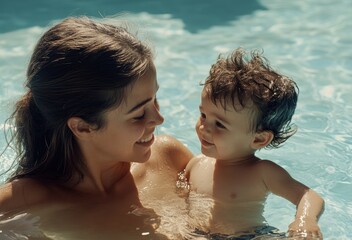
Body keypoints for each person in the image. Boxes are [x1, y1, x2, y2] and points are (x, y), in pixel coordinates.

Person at [0, 16, 193, 239]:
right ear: (82, 127)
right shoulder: (23, 205)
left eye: (155, 99)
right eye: (139, 114)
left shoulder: (169, 159)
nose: (158, 119)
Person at [184, 48, 325, 239]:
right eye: (203, 115)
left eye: (219, 124)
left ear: (258, 139)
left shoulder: (262, 172)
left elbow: (309, 196)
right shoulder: (196, 165)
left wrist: (305, 220)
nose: (204, 128)